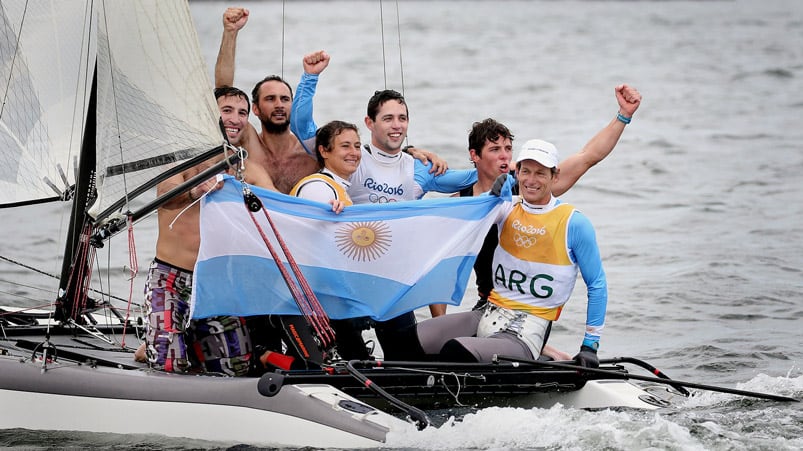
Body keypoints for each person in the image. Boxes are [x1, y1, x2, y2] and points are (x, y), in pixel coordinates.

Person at [459, 84, 642, 360]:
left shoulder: (526, 190)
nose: (505, 156)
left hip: (528, 316)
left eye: (509, 149)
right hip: (489, 306)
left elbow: (587, 156)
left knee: (458, 351)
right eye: (495, 149)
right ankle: (547, 354)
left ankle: (547, 356)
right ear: (475, 156)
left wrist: (623, 116)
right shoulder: (461, 195)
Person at [414, 139, 607, 368]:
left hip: (526, 330)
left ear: (554, 177)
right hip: (488, 313)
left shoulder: (574, 223)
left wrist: (590, 345)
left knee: (455, 350)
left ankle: (540, 358)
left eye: (540, 173)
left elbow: (597, 284)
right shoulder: (505, 207)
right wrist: (492, 195)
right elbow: (462, 220)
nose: (531, 180)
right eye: (525, 172)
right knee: (409, 338)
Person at [136, 87, 278, 375]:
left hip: (219, 284)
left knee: (236, 370)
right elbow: (166, 195)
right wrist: (194, 191)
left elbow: (281, 211)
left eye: (242, 113)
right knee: (168, 366)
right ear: (208, 115)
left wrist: (330, 207)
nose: (236, 119)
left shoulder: (246, 169)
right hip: (172, 280)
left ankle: (186, 341)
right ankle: (160, 344)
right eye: (227, 111)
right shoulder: (180, 160)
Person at [289, 120, 373, 360]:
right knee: (352, 360)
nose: (354, 153)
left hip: (334, 296)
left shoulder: (338, 186)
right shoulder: (318, 187)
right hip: (319, 299)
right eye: (345, 146)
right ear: (324, 151)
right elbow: (309, 241)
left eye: (357, 146)